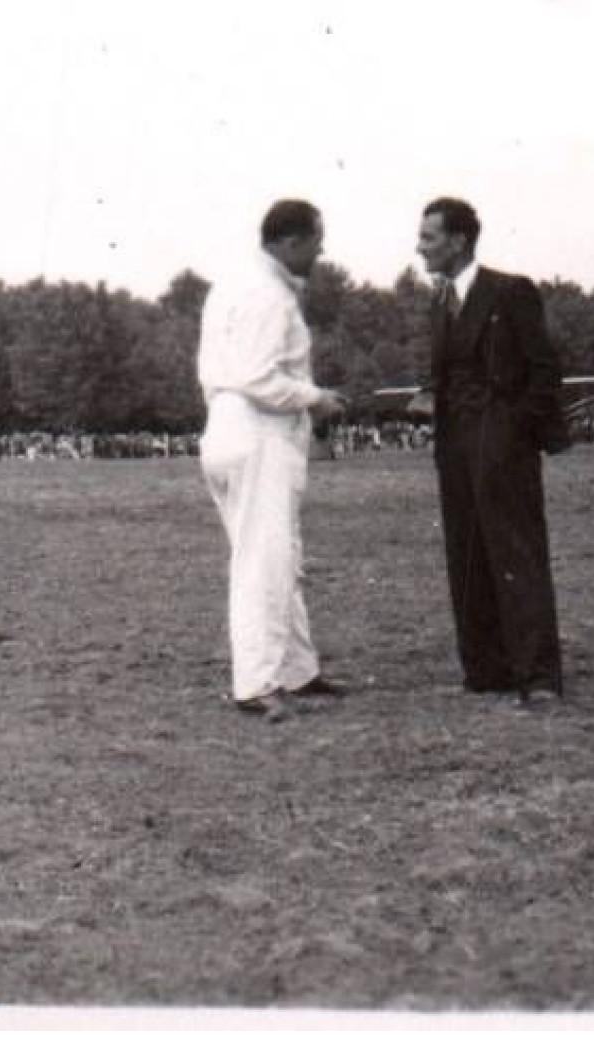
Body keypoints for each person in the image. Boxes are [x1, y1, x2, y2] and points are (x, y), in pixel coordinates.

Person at [410, 197, 567, 709]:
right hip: (454, 445)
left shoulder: (510, 292)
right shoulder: (439, 302)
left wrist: (514, 429)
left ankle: (538, 675)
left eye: (429, 238)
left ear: (458, 240)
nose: (420, 247)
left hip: (501, 445)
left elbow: (544, 369)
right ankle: (486, 669)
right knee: (468, 555)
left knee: (516, 554)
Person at [197, 199, 348, 721]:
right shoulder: (269, 296)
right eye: (315, 240)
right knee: (264, 561)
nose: (321, 250)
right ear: (290, 243)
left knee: (275, 553)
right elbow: (259, 377)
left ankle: (296, 671)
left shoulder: (233, 285)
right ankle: (258, 683)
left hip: (227, 426)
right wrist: (315, 398)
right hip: (257, 429)